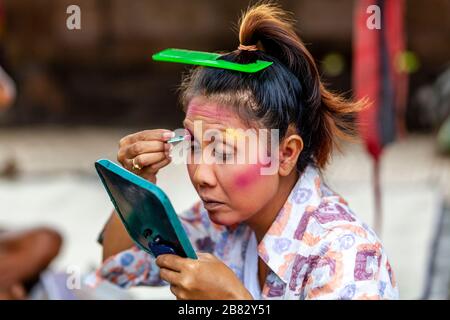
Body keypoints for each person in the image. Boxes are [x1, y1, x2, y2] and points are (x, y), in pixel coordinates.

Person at [93, 3, 398, 300]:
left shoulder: (346, 255)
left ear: (286, 154)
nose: (201, 175)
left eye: (224, 152)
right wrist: (137, 182)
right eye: (194, 146)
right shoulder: (216, 224)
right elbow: (117, 268)